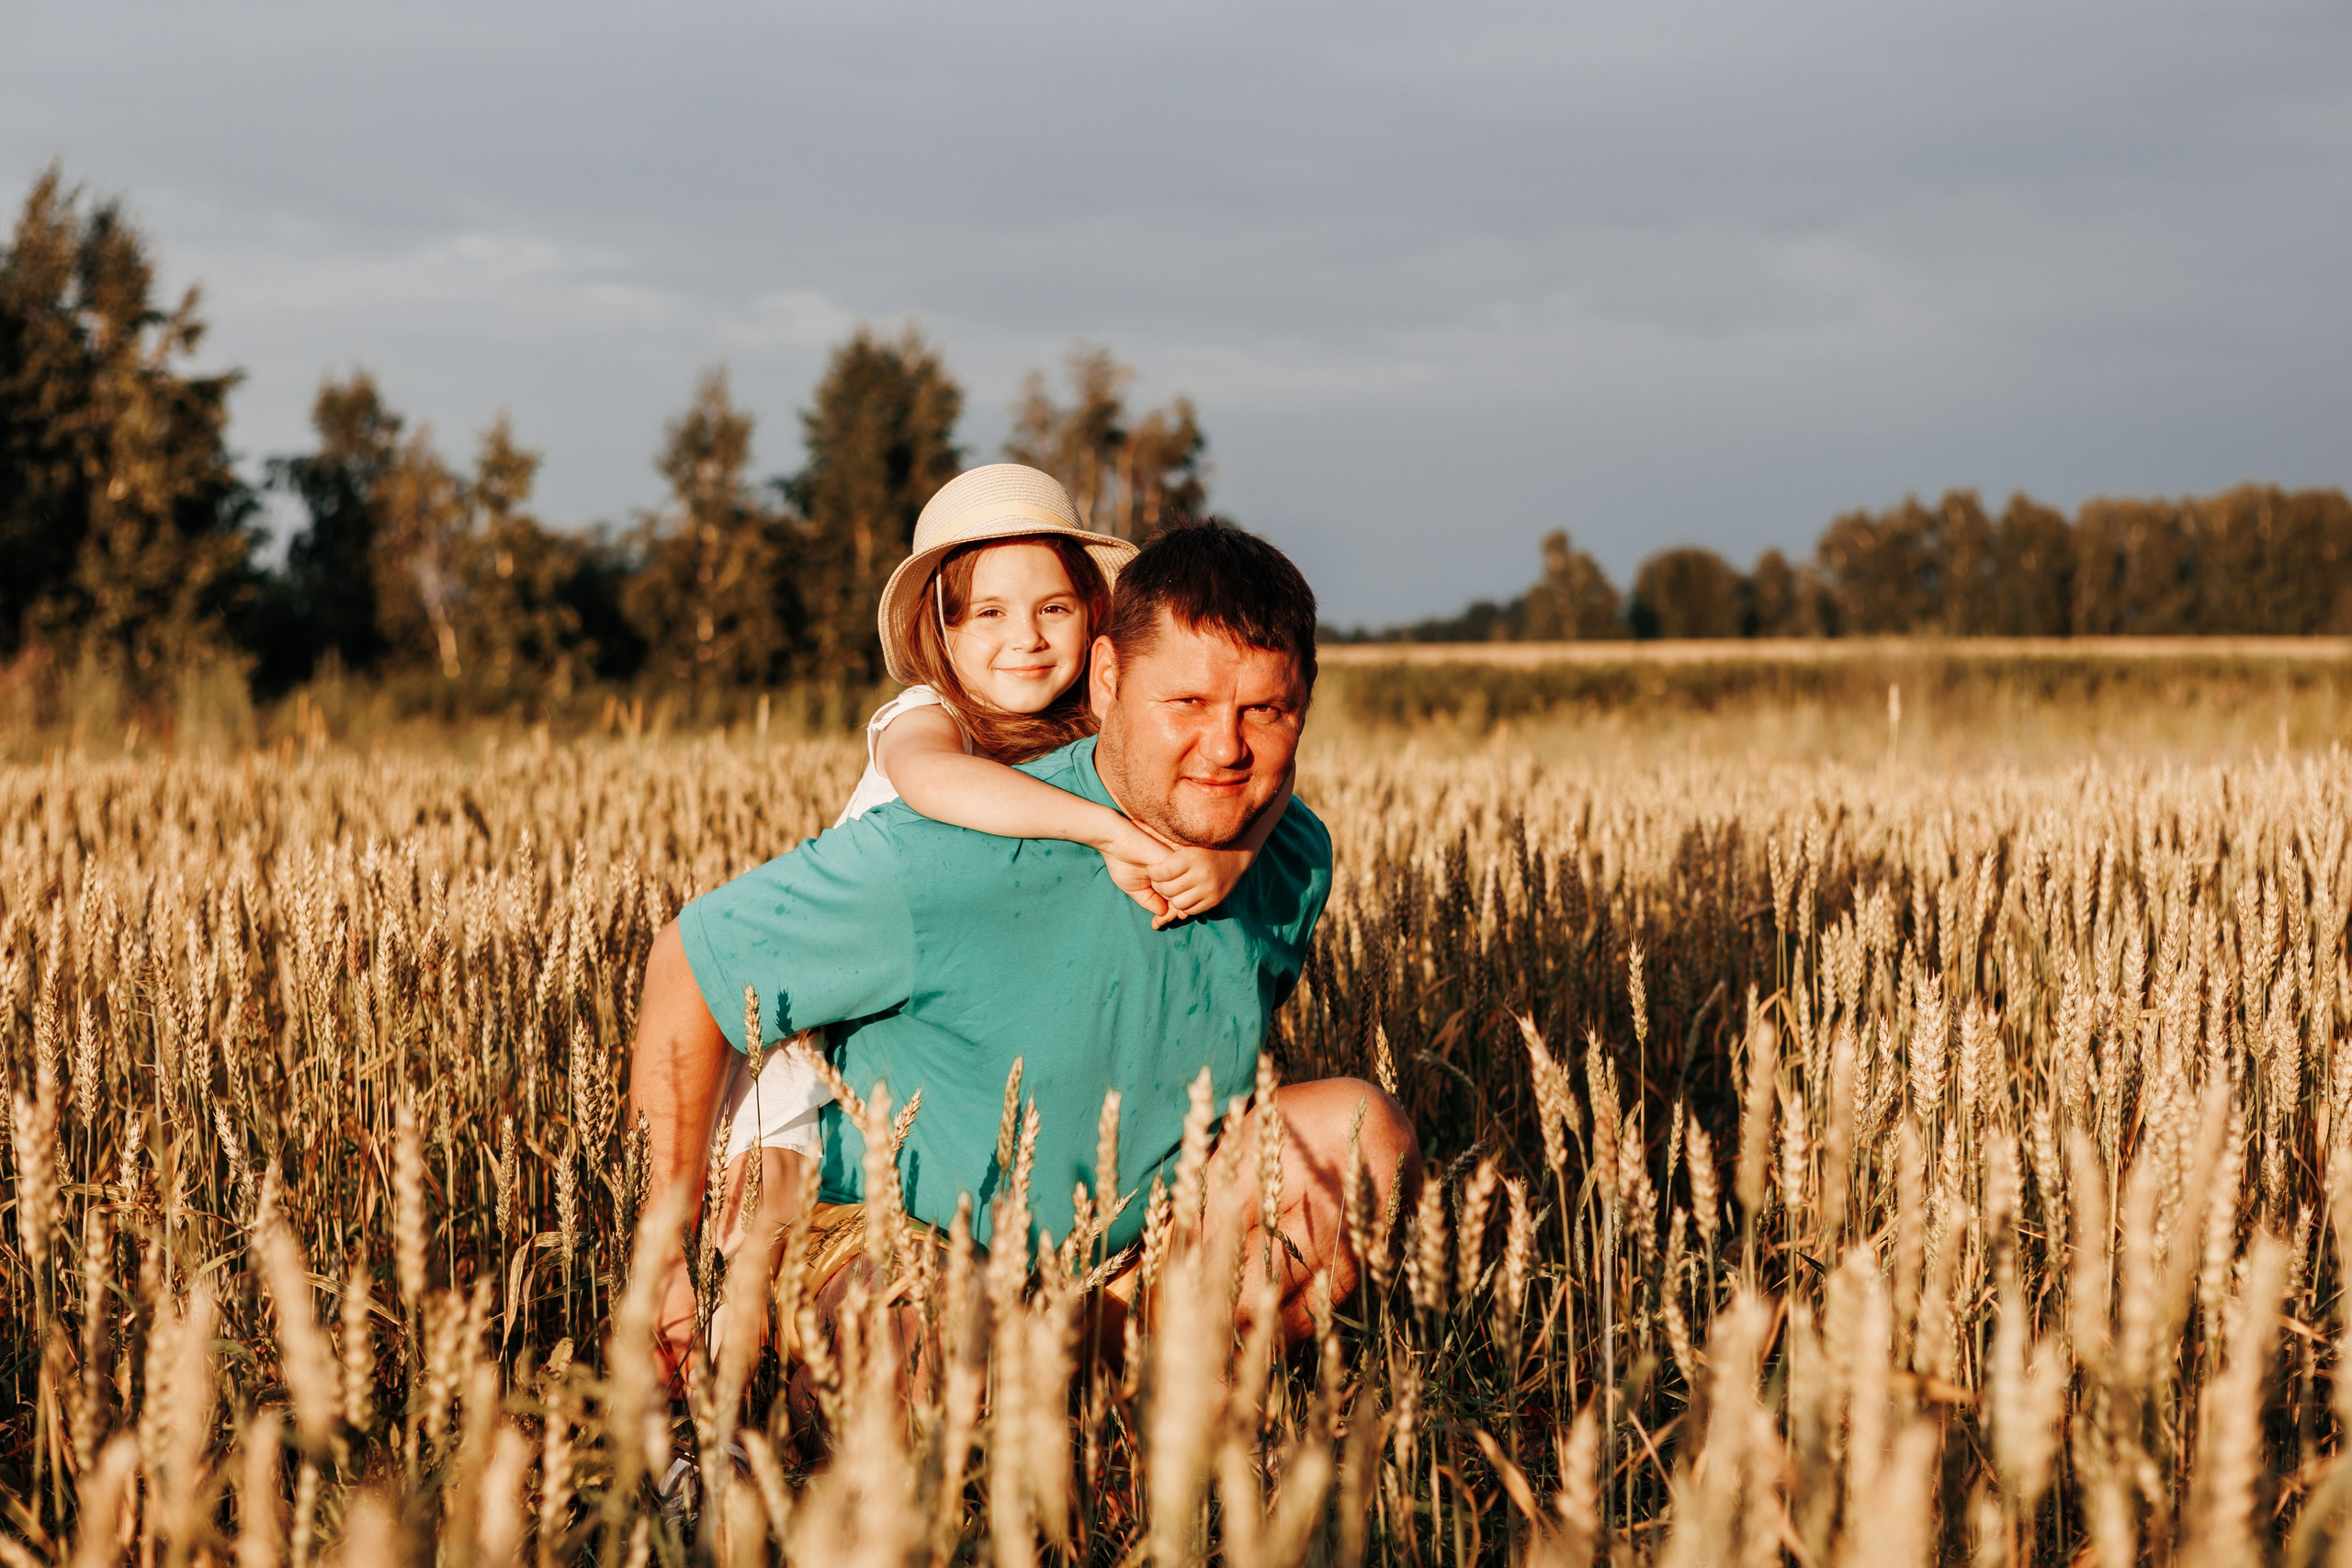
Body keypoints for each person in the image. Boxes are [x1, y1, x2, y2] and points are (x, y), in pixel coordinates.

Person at [626, 510, 1418, 1382]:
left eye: (1265, 710)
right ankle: (1033, 1392)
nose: (1226, 748)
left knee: (1365, 1136)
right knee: (940, 1362)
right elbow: (693, 964)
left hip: (1129, 1252)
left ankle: (1144, 1379)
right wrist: (666, 1244)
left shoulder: (1288, 854)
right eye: (1186, 703)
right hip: (901, 1238)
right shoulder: (945, 844)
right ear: (1110, 678)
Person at [702, 464, 1291, 1269]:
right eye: (988, 612)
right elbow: (944, 785)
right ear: (937, 633)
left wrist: (1231, 858)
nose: (1028, 637)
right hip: (821, 1037)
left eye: (1054, 608)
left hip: (963, 1036)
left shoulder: (1104, 718)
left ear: (1095, 618)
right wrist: (1108, 832)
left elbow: (1276, 766)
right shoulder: (927, 721)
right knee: (755, 1230)